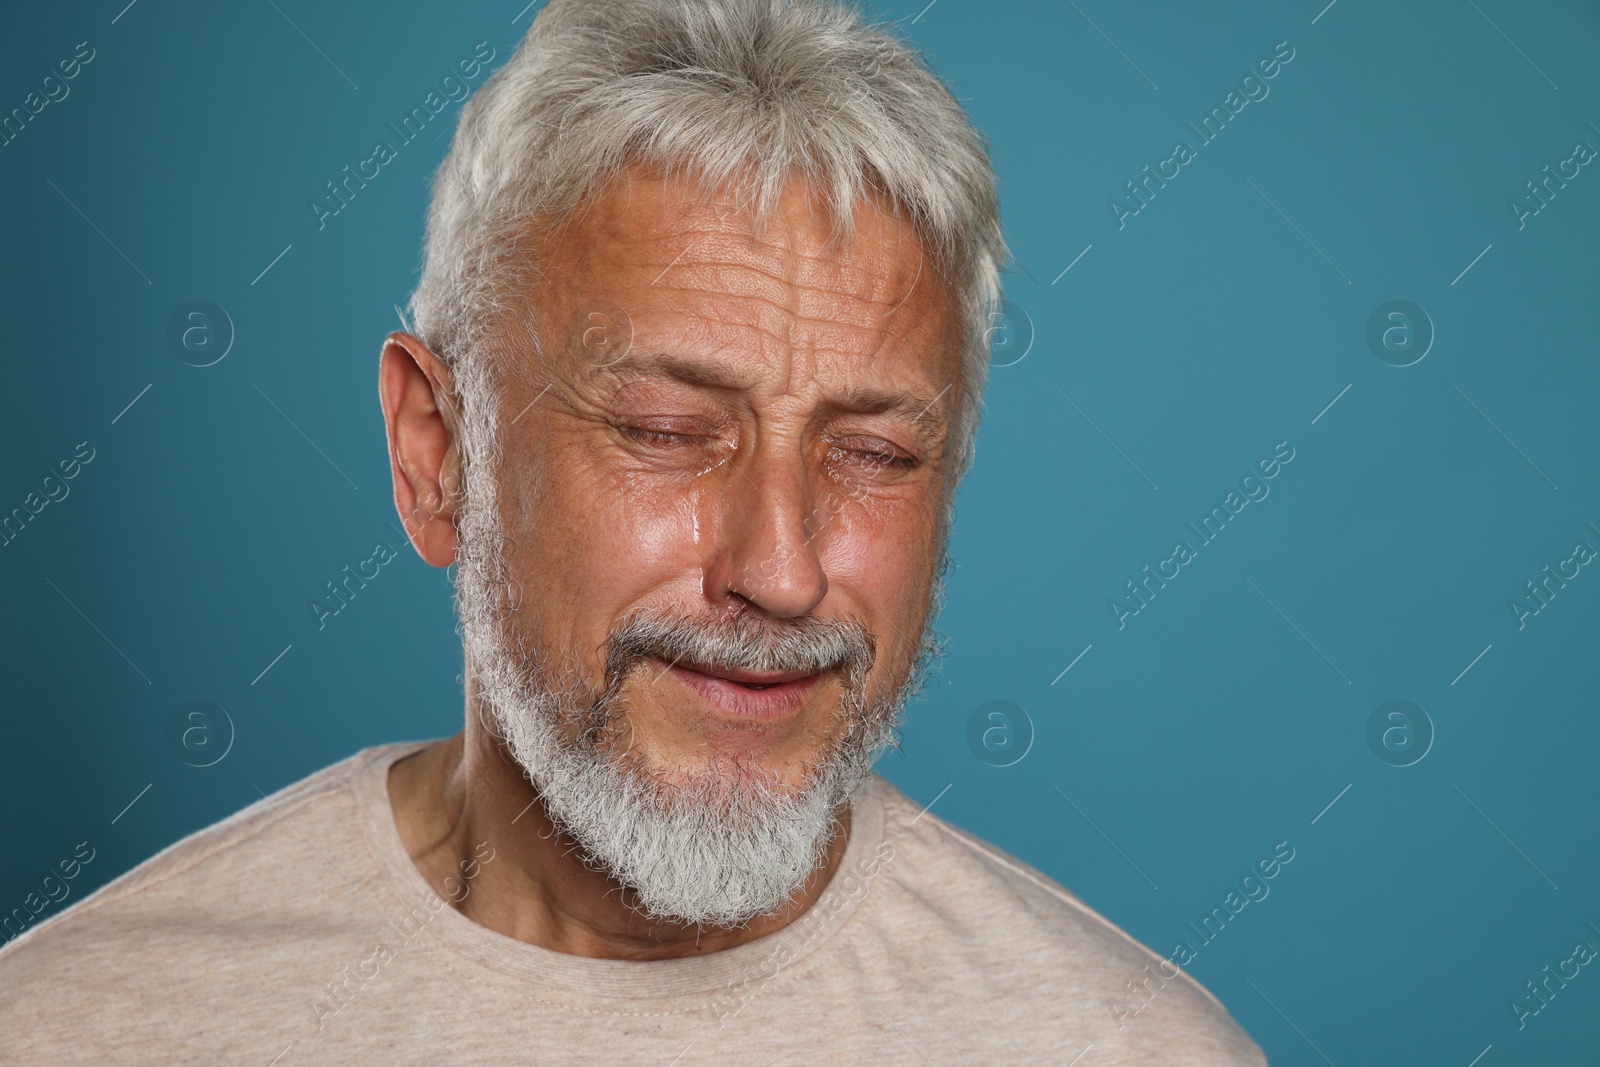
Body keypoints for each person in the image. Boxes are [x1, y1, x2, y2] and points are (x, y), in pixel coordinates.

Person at [0, 1, 1266, 1062]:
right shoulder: (71, 1029)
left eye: (872, 453)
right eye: (665, 429)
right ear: (436, 455)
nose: (780, 569)